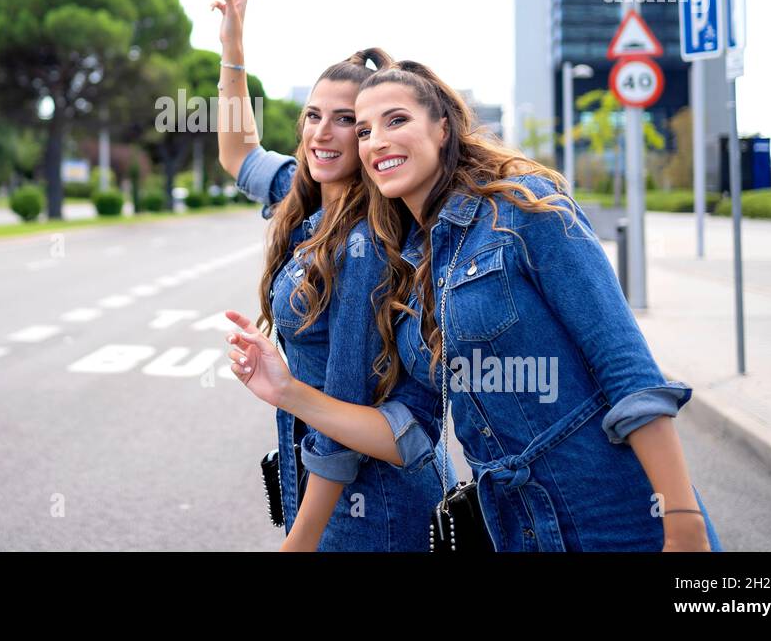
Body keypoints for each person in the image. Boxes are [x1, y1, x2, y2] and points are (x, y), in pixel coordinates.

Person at [225, 59, 721, 551]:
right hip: (513, 529)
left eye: (396, 120)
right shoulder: (409, 267)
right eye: (366, 132)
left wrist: (681, 523)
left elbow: (628, 373)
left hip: (613, 516)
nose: (376, 141)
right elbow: (409, 431)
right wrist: (286, 390)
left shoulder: (522, 210)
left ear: (442, 127)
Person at [213, 0, 453, 551]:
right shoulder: (302, 193)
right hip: (316, 489)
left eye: (346, 120)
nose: (323, 132)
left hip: (369, 512)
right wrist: (234, 46)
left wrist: (299, 542)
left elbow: (343, 423)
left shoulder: (366, 244)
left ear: (369, 135)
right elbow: (236, 151)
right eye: (313, 115)